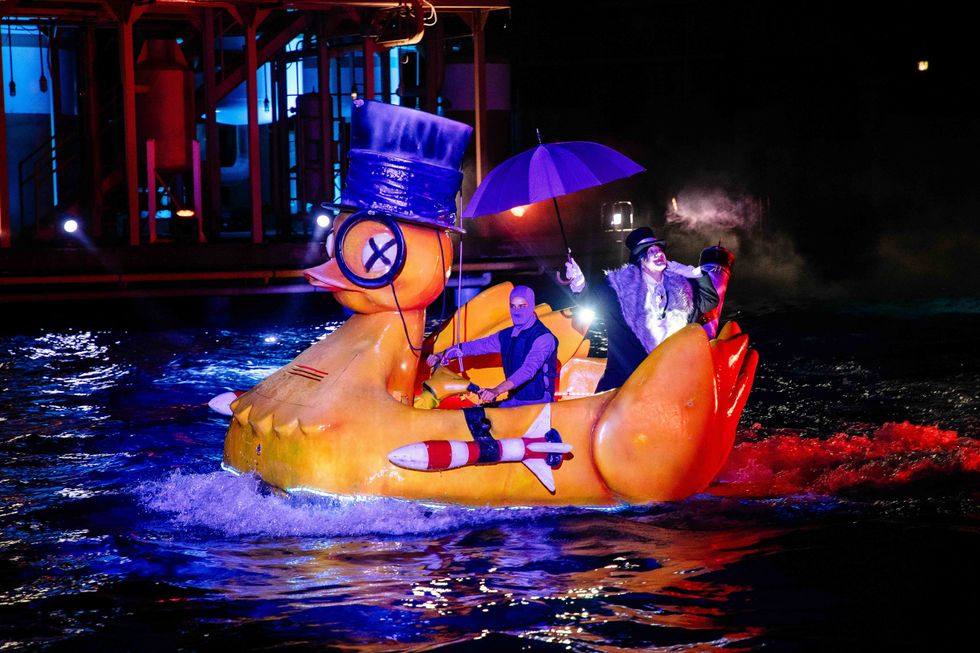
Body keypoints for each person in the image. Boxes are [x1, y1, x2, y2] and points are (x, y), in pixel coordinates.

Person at [564, 226, 719, 392]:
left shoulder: (680, 287)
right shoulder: (619, 288)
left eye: (659, 249)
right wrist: (578, 281)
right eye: (651, 251)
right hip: (627, 384)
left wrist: (691, 272)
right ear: (640, 260)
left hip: (670, 383)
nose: (658, 253)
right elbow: (589, 301)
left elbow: (710, 300)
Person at [427, 285, 559, 406]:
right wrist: (443, 354)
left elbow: (527, 371)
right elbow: (476, 346)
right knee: (473, 415)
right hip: (514, 401)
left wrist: (496, 390)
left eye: (522, 306)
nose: (517, 311)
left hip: (539, 404)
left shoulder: (544, 338)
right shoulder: (506, 335)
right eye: (513, 306)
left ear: (531, 306)